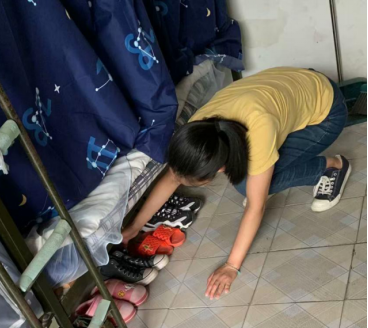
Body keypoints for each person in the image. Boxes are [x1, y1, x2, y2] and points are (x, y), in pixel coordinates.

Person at [122, 67, 350, 300]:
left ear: (220, 167)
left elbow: (256, 207)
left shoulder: (257, 133)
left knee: (252, 187)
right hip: (299, 84)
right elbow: (172, 176)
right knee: (250, 182)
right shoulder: (199, 130)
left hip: (327, 111)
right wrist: (135, 227)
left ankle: (333, 166)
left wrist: (231, 266)